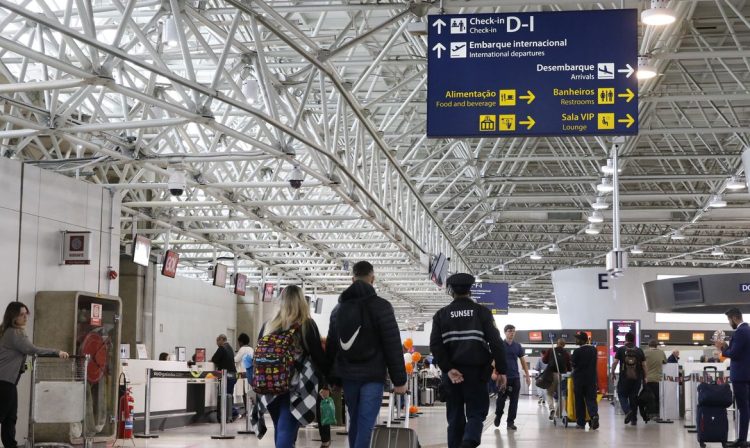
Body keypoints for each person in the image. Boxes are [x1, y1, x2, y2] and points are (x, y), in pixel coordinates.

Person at [326, 261, 407, 448]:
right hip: (373, 375)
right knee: (365, 423)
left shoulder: (338, 310)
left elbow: (332, 347)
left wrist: (331, 380)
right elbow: (392, 344)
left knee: (355, 419)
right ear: (373, 279)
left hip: (348, 376)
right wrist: (400, 380)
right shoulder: (382, 307)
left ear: (353, 279)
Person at [429, 273, 507, 448]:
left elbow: (435, 345)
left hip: (452, 376)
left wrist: (448, 369)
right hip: (477, 374)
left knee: (455, 416)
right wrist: (501, 370)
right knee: (476, 413)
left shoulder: (441, 315)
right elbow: (496, 343)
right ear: (470, 290)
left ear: (451, 291)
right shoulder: (482, 312)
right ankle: (469, 442)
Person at [259, 285, 329, 448]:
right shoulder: (306, 325)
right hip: (295, 388)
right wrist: (328, 380)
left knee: (281, 429)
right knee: (285, 431)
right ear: (301, 302)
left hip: (269, 387)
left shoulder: (268, 325)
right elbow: (319, 359)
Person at [0, 302, 69, 448]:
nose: (25, 317)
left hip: (8, 382)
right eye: (21, 314)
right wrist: (57, 352)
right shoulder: (14, 333)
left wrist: (29, 366)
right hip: (4, 382)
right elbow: (32, 349)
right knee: (5, 417)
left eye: (27, 314)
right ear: (13, 316)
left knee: (10, 419)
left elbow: (19, 361)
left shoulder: (9, 332)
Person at [715, 308, 750, 448]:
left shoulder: (740, 332)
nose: (729, 323)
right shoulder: (748, 330)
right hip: (747, 374)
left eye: (729, 320)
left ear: (735, 318)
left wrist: (722, 348)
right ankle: (742, 438)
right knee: (747, 407)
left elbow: (734, 354)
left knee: (743, 407)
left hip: (740, 375)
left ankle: (742, 439)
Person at [494, 324, 531, 430]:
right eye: (510, 331)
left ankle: (510, 422)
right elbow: (494, 360)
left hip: (515, 377)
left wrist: (527, 376)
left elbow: (523, 361)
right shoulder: (500, 344)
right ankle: (498, 415)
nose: (512, 333)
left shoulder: (517, 346)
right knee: (501, 400)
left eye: (513, 331)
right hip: (503, 377)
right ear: (505, 332)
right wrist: (494, 373)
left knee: (514, 401)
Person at [611, 332, 647, 425]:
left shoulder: (621, 349)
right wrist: (645, 377)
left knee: (622, 395)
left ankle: (627, 411)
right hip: (637, 378)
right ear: (634, 339)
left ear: (625, 339)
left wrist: (612, 373)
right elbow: (644, 365)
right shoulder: (639, 350)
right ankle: (634, 420)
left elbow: (615, 362)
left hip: (624, 378)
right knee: (633, 397)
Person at [571, 331, 599, 430]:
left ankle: (581, 422)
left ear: (582, 340)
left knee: (579, 401)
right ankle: (594, 416)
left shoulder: (577, 351)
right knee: (591, 399)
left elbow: (573, 364)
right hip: (591, 379)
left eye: (577, 339)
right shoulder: (593, 350)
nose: (576, 340)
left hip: (579, 379)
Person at [542, 339, 571, 419]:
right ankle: (558, 414)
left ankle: (552, 409)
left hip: (551, 375)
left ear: (556, 343)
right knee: (562, 395)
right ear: (564, 345)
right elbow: (569, 367)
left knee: (549, 393)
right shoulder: (566, 353)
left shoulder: (551, 350)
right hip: (562, 376)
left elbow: (544, 361)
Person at [211, 333, 237, 421]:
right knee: (229, 395)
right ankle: (231, 415)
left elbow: (214, 359)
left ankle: (225, 416)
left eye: (217, 341)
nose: (217, 343)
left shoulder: (222, 348)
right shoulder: (230, 348)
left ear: (221, 340)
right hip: (233, 375)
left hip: (226, 376)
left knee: (223, 396)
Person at [644, 339, 666, 417]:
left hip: (647, 378)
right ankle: (657, 413)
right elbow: (665, 362)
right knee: (657, 396)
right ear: (656, 345)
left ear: (648, 345)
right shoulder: (661, 352)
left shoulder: (645, 352)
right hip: (658, 378)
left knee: (648, 396)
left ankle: (649, 413)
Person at [234, 333, 254, 419]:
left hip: (242, 374)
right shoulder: (251, 349)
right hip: (250, 372)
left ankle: (246, 411)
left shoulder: (242, 349)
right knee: (249, 392)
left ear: (241, 342)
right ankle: (250, 411)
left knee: (244, 393)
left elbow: (235, 359)